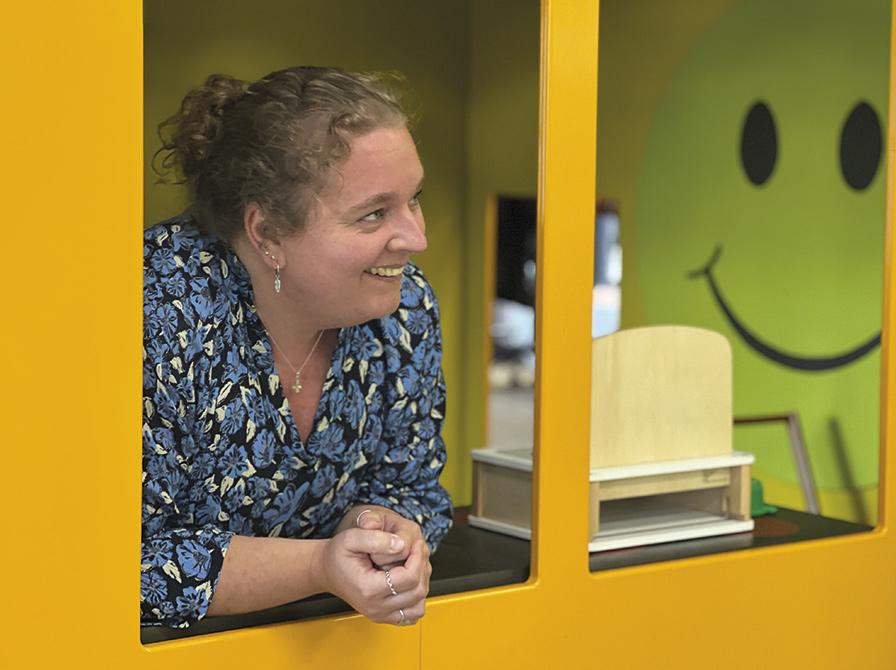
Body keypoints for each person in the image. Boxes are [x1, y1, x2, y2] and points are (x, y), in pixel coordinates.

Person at [142, 66, 453, 630]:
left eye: (415, 199)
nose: (417, 237)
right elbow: (115, 559)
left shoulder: (405, 309)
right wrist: (320, 566)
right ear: (266, 234)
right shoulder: (150, 311)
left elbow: (412, 487)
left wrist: (380, 529)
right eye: (374, 213)